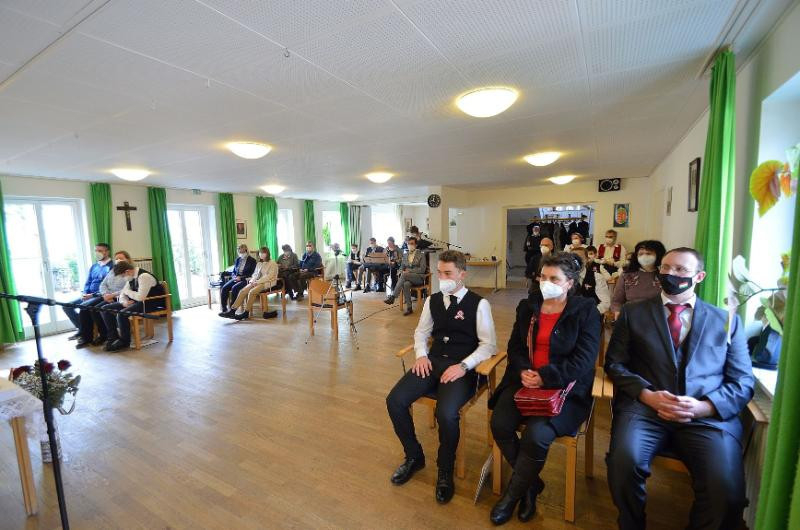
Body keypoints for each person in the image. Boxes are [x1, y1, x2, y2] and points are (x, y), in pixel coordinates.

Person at [605, 247, 754, 530]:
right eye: (665, 267)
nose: (670, 274)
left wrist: (705, 407)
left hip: (706, 418)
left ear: (699, 276)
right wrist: (647, 395)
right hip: (646, 410)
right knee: (622, 465)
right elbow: (615, 364)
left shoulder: (726, 321)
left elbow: (743, 381)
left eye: (680, 269)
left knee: (727, 491)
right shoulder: (633, 313)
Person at [488, 252, 601, 524]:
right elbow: (515, 346)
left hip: (564, 388)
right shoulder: (528, 306)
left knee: (536, 436)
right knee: (500, 425)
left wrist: (545, 378)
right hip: (525, 381)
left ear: (569, 283)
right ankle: (531, 485)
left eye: (554, 279)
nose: (545, 283)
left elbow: (584, 360)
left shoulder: (586, 311)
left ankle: (513, 496)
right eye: (542, 277)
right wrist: (524, 370)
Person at [386, 250, 497, 504]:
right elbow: (421, 332)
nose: (442, 278)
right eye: (439, 273)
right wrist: (421, 355)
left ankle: (445, 469)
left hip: (462, 367)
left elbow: (488, 345)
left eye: (448, 273)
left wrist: (464, 366)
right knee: (395, 401)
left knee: (446, 414)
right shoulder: (432, 301)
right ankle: (414, 456)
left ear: (462, 274)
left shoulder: (479, 304)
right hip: (433, 361)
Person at [101, 261, 166, 352]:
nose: (123, 278)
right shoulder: (131, 277)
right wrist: (124, 302)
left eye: (123, 276)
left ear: (127, 271)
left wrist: (127, 292)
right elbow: (123, 294)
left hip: (150, 303)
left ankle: (125, 342)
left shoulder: (144, 276)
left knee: (122, 314)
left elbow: (140, 297)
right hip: (138, 302)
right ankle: (113, 337)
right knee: (105, 309)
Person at [76, 250, 132, 348]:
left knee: (98, 309)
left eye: (121, 258)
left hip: (120, 297)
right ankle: (87, 337)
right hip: (106, 295)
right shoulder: (113, 270)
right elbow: (103, 284)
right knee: (85, 307)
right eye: (116, 259)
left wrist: (112, 296)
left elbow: (128, 289)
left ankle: (107, 336)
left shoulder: (130, 271)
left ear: (127, 260)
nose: (118, 260)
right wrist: (106, 294)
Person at [64, 243, 112, 339]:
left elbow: (109, 287)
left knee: (84, 307)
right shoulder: (94, 266)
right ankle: (82, 329)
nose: (97, 253)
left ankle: (86, 334)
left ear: (107, 252)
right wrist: (85, 293)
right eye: (96, 251)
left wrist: (92, 295)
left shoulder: (111, 266)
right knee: (67, 306)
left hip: (99, 295)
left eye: (100, 251)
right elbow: (88, 281)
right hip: (88, 295)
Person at [611, 240, 666, 319]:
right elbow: (617, 301)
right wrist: (618, 313)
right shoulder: (626, 275)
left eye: (648, 253)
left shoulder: (664, 276)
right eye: (640, 254)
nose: (644, 256)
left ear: (658, 255)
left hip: (657, 318)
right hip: (630, 317)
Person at [221, 247, 279, 321]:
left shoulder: (273, 263)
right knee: (243, 291)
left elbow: (269, 276)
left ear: (267, 253)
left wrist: (257, 282)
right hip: (256, 282)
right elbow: (255, 274)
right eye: (260, 253)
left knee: (252, 292)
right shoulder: (259, 263)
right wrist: (252, 281)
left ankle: (246, 312)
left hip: (267, 282)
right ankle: (232, 311)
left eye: (263, 253)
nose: (261, 254)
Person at [384, 236, 428, 315]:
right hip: (407, 278)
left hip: (418, 278)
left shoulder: (421, 255)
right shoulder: (405, 254)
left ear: (416, 245)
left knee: (404, 275)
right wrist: (401, 271)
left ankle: (393, 296)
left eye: (412, 243)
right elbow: (401, 267)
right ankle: (409, 308)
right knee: (405, 284)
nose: (410, 245)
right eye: (408, 244)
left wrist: (409, 271)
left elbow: (422, 269)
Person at [219, 244, 256, 313]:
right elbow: (233, 272)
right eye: (239, 252)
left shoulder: (252, 260)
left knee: (235, 288)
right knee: (224, 287)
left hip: (246, 279)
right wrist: (234, 277)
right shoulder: (237, 260)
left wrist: (241, 278)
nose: (240, 253)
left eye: (242, 252)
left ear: (246, 250)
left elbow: (252, 273)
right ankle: (224, 308)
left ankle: (232, 308)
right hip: (236, 278)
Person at [572, 247, 611, 314]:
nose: (576, 261)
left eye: (580, 258)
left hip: (591, 314)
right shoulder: (564, 277)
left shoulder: (597, 277)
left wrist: (591, 313)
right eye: (573, 259)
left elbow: (606, 302)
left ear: (587, 259)